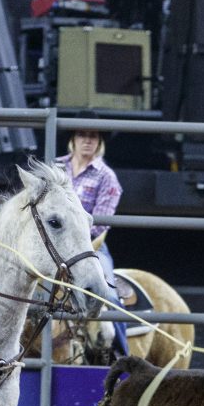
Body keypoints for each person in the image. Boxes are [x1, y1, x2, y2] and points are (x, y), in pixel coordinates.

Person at [55, 115, 128, 355]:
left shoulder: (107, 177)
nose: (87, 140)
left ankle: (120, 353)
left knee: (109, 295)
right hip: (52, 244)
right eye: (82, 135)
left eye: (93, 136)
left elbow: (100, 225)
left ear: (99, 142)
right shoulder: (56, 168)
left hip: (91, 247)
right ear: (73, 140)